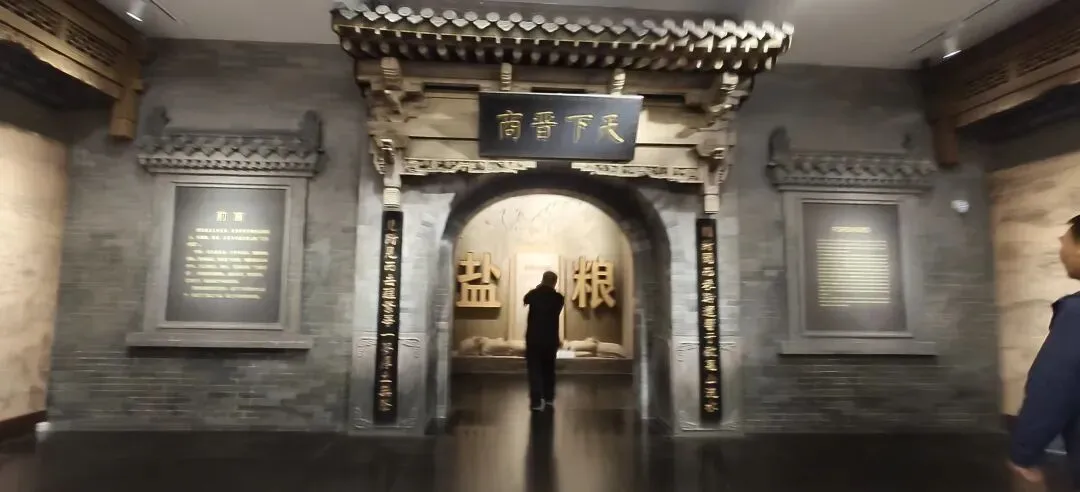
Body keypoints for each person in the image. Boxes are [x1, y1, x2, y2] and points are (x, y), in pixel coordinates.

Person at [1009, 214, 1080, 487]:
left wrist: (1023, 455)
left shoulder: (1076, 315)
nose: (1061, 245)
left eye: (1067, 240)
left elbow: (1052, 389)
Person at [523, 271, 564, 411]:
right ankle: (549, 398)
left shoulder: (534, 295)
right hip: (550, 339)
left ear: (542, 280)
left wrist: (538, 287)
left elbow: (525, 299)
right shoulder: (558, 298)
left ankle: (536, 401)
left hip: (534, 338)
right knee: (549, 369)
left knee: (534, 369)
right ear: (554, 282)